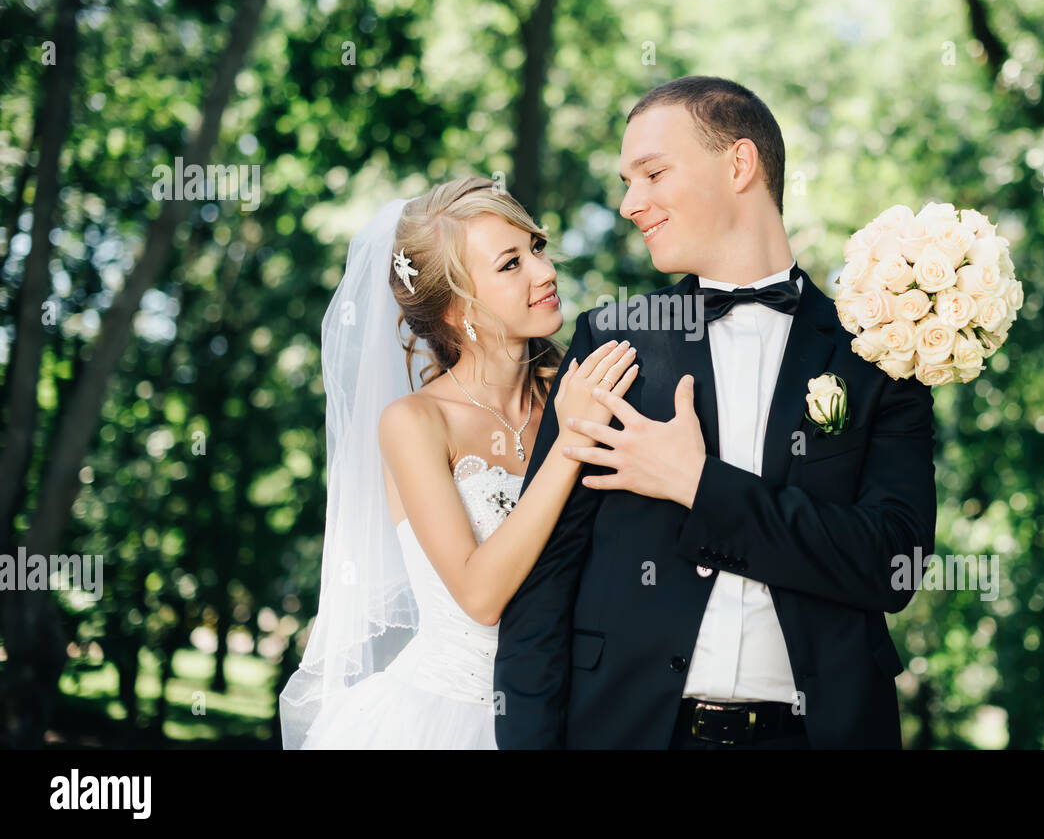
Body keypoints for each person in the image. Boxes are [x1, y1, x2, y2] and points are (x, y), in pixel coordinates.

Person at [494, 76, 938, 749]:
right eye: (625, 180)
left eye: (652, 173)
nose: (629, 203)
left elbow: (893, 562)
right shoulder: (611, 341)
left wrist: (698, 485)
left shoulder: (877, 349)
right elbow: (544, 577)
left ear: (739, 164)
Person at [278, 177, 638, 749]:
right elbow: (479, 595)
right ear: (454, 309)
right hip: (443, 721)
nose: (544, 273)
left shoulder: (577, 394)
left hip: (575, 714)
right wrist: (572, 440)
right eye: (510, 264)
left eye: (536, 249)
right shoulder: (416, 423)